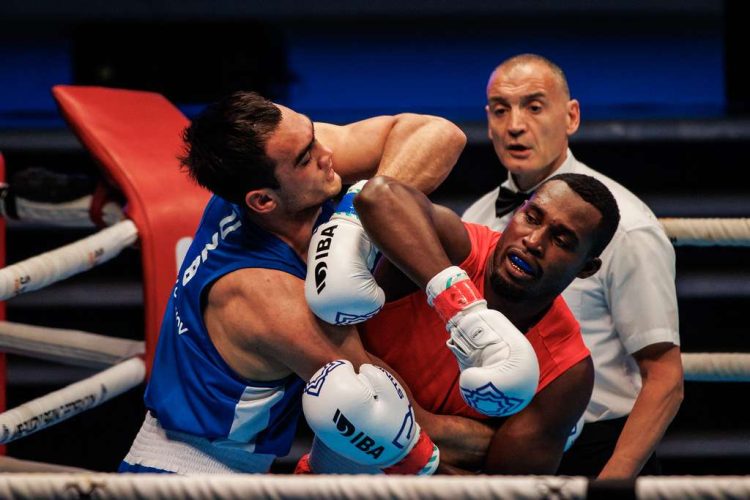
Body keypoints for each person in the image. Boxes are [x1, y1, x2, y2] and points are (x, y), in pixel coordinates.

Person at [118, 90, 474, 474]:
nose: (327, 153)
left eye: (312, 135)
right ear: (262, 201)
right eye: (306, 157)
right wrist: (528, 443)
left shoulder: (282, 169)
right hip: (189, 477)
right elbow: (390, 415)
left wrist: (353, 223)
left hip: (237, 468)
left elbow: (439, 133)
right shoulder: (264, 296)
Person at [462, 53, 684, 479]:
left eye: (534, 106)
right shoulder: (474, 218)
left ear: (571, 117)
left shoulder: (628, 225)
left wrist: (614, 478)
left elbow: (665, 376)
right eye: (500, 109)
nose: (514, 125)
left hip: (595, 450)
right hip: (495, 447)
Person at [326, 172, 617, 474]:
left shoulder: (566, 373)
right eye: (531, 218)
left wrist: (407, 450)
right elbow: (377, 195)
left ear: (586, 268)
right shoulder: (456, 248)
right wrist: (462, 310)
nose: (533, 242)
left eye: (560, 239)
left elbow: (503, 492)